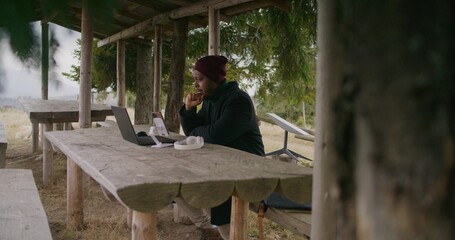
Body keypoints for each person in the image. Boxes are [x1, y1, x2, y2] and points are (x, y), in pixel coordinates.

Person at [177, 55, 265, 240]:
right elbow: (195, 134)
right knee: (176, 181)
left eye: (199, 79)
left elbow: (214, 136)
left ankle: (228, 235)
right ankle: (209, 228)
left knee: (212, 188)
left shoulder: (238, 101)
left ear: (214, 78)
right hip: (222, 164)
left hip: (249, 167)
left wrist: (198, 133)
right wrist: (189, 110)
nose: (195, 84)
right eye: (194, 79)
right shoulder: (209, 100)